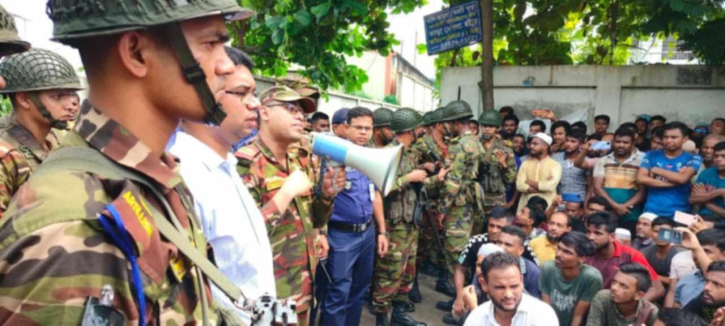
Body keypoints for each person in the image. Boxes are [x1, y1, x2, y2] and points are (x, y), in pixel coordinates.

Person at [0, 0, 254, 323]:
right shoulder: (71, 226)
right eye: (210, 43)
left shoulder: (156, 179)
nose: (227, 66)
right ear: (135, 54)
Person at [169, 47, 274, 323]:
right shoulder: (185, 176)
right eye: (241, 93)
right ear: (202, 96)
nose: (255, 105)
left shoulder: (225, 164)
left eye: (254, 94)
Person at [237, 86, 343, 325]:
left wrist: (326, 196)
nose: (300, 117)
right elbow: (241, 238)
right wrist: (285, 194)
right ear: (264, 113)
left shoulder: (297, 162)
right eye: (291, 109)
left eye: (301, 112)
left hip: (304, 288)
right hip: (269, 295)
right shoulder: (247, 163)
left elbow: (314, 220)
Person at [318, 107, 389, 326]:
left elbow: (375, 194)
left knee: (359, 289)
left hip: (366, 233)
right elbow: (320, 198)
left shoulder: (370, 156)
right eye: (358, 127)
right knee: (338, 293)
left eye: (368, 128)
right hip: (341, 236)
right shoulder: (332, 155)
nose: (363, 133)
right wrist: (321, 232)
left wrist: (382, 231)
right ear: (347, 128)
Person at [0, 49, 83, 213]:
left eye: (71, 95)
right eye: (57, 96)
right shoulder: (5, 152)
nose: (70, 105)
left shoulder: (56, 138)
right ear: (24, 99)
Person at [373, 108, 429, 326]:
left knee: (407, 272)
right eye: (419, 128)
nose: (422, 131)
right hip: (393, 225)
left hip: (410, 224)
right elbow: (379, 189)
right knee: (389, 274)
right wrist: (409, 177)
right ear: (411, 130)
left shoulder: (411, 154)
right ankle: (381, 318)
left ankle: (398, 314)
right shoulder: (387, 154)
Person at [435, 100, 485, 302]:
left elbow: (453, 182)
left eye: (446, 123)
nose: (444, 127)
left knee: (457, 255)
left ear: (455, 123)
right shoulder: (474, 141)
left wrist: (442, 210)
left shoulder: (459, 145)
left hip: (458, 206)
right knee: (464, 251)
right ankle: (462, 298)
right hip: (470, 202)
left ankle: (463, 303)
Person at [584, 212, 665, 302]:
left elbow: (657, 289)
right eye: (588, 232)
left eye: (597, 233)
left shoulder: (631, 255)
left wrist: (633, 308)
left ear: (612, 237)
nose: (590, 237)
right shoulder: (582, 252)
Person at [464, 252, 558, 326]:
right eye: (500, 287)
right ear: (484, 285)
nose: (508, 295)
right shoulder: (476, 317)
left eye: (514, 286)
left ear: (521, 281)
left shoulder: (542, 314)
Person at [638, 122, 702, 218]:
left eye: (673, 137)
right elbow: (641, 178)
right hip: (651, 211)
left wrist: (656, 170)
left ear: (685, 139)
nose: (668, 140)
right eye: (666, 137)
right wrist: (674, 181)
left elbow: (682, 179)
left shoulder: (693, 158)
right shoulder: (651, 155)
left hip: (680, 213)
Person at [540, 231, 602, 326]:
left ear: (581, 258)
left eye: (567, 252)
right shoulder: (548, 268)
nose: (559, 254)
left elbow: (578, 315)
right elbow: (546, 309)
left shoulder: (591, 277)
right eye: (559, 248)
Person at [593, 127, 646, 235]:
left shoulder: (642, 161)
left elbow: (643, 191)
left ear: (633, 143)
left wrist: (624, 207)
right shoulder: (603, 160)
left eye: (625, 142)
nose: (621, 145)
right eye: (618, 142)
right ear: (613, 143)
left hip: (632, 213)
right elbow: (597, 188)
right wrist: (616, 206)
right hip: (607, 213)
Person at [477, 110, 517, 234]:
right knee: (475, 231)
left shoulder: (504, 148)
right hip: (476, 197)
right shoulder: (474, 145)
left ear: (497, 128)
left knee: (496, 232)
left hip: (496, 199)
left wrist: (504, 164)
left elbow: (512, 178)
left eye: (490, 126)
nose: (487, 129)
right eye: (484, 126)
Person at [587, 262, 659, 326]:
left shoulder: (651, 313)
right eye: (614, 282)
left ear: (639, 295)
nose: (614, 288)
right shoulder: (602, 298)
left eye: (623, 286)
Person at [673, 229, 725, 308]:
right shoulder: (686, 279)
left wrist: (697, 248)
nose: (706, 287)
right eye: (692, 250)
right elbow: (676, 307)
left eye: (706, 251)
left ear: (723, 255)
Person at [516, 133, 563, 212]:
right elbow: (519, 185)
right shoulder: (525, 164)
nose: (531, 146)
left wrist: (529, 182)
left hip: (547, 208)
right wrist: (541, 188)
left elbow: (550, 186)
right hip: (525, 208)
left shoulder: (555, 165)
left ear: (545, 146)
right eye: (531, 144)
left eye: (535, 144)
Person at [495, 225, 541, 298]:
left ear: (520, 250)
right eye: (499, 242)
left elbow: (534, 305)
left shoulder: (532, 273)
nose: (501, 247)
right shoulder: (486, 263)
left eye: (508, 245)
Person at [641, 218, 687, 291]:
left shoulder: (681, 254)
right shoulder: (645, 252)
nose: (660, 235)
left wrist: (653, 276)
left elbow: (683, 282)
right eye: (656, 231)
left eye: (665, 232)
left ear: (673, 233)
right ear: (651, 232)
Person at [691, 141, 725, 217]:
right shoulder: (706, 173)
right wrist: (719, 192)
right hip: (702, 217)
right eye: (716, 156)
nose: (718, 159)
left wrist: (704, 199)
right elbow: (692, 199)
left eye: (723, 156)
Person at [553, 129, 588, 199]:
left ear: (581, 144)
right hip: (560, 201)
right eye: (567, 140)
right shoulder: (555, 157)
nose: (568, 144)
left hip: (579, 201)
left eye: (573, 141)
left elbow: (590, 186)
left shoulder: (587, 160)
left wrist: (585, 205)